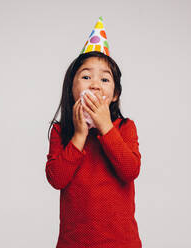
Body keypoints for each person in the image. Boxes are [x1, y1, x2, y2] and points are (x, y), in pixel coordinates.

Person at [45, 17, 142, 248]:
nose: (95, 84)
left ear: (115, 94)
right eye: (86, 77)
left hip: (122, 242)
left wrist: (106, 127)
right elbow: (56, 178)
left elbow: (130, 170)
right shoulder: (62, 131)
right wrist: (79, 135)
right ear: (72, 88)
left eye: (105, 79)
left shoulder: (125, 128)